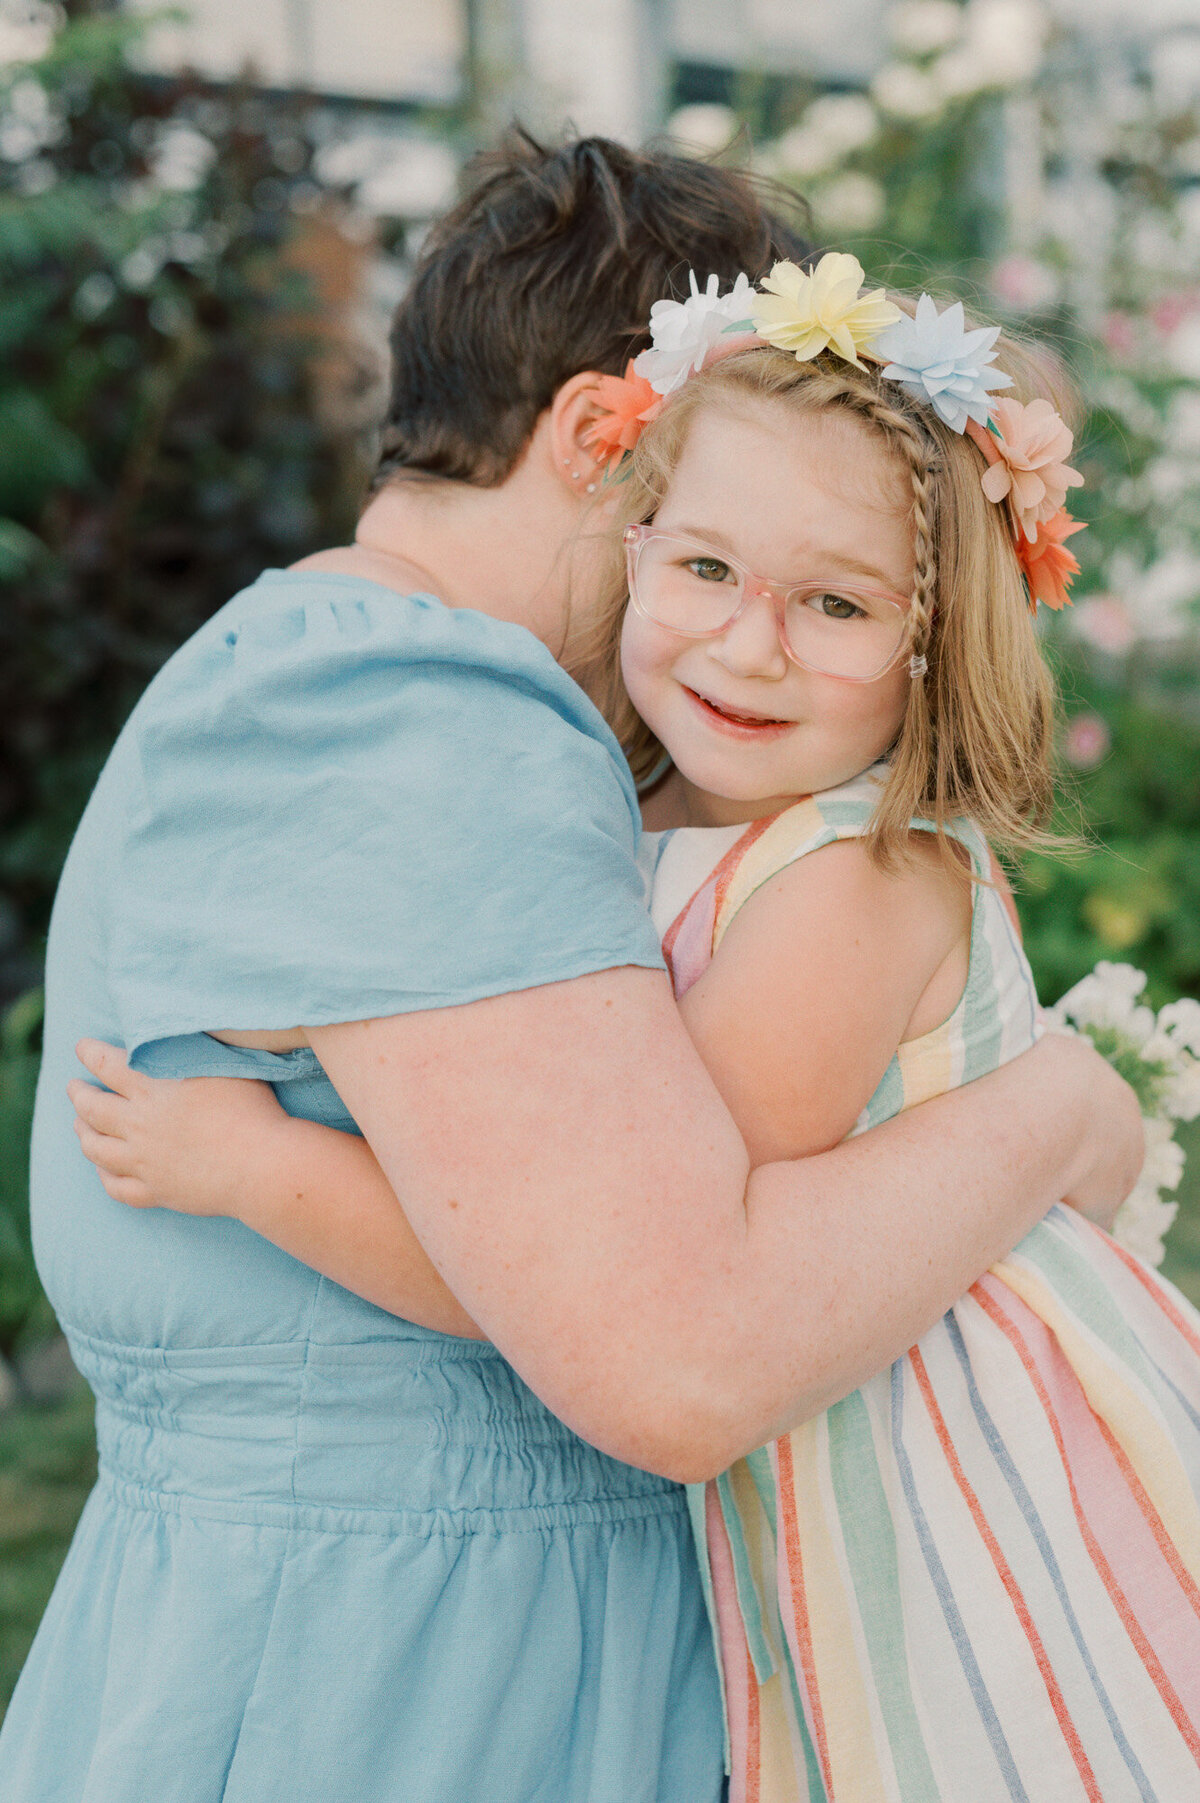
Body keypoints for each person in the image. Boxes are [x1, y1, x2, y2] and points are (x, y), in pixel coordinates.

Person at [1, 137, 1140, 1803]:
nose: (739, 622)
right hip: (420, 1691)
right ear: (617, 438)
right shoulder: (430, 716)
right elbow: (683, 1350)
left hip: (322, 1653)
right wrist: (1056, 1110)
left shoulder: (292, 665)